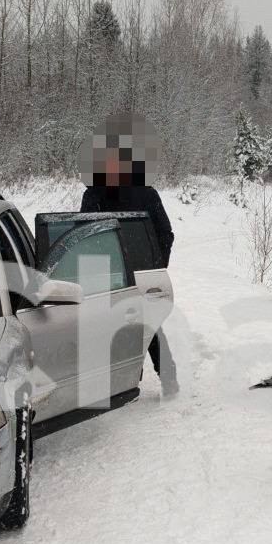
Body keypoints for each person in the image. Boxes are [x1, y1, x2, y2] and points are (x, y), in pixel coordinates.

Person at [79, 112, 179, 397]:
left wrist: (154, 267)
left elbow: (166, 234)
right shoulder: (97, 194)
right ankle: (132, 380)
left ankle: (166, 380)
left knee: (145, 329)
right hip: (114, 275)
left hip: (132, 274)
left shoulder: (142, 193)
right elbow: (84, 236)